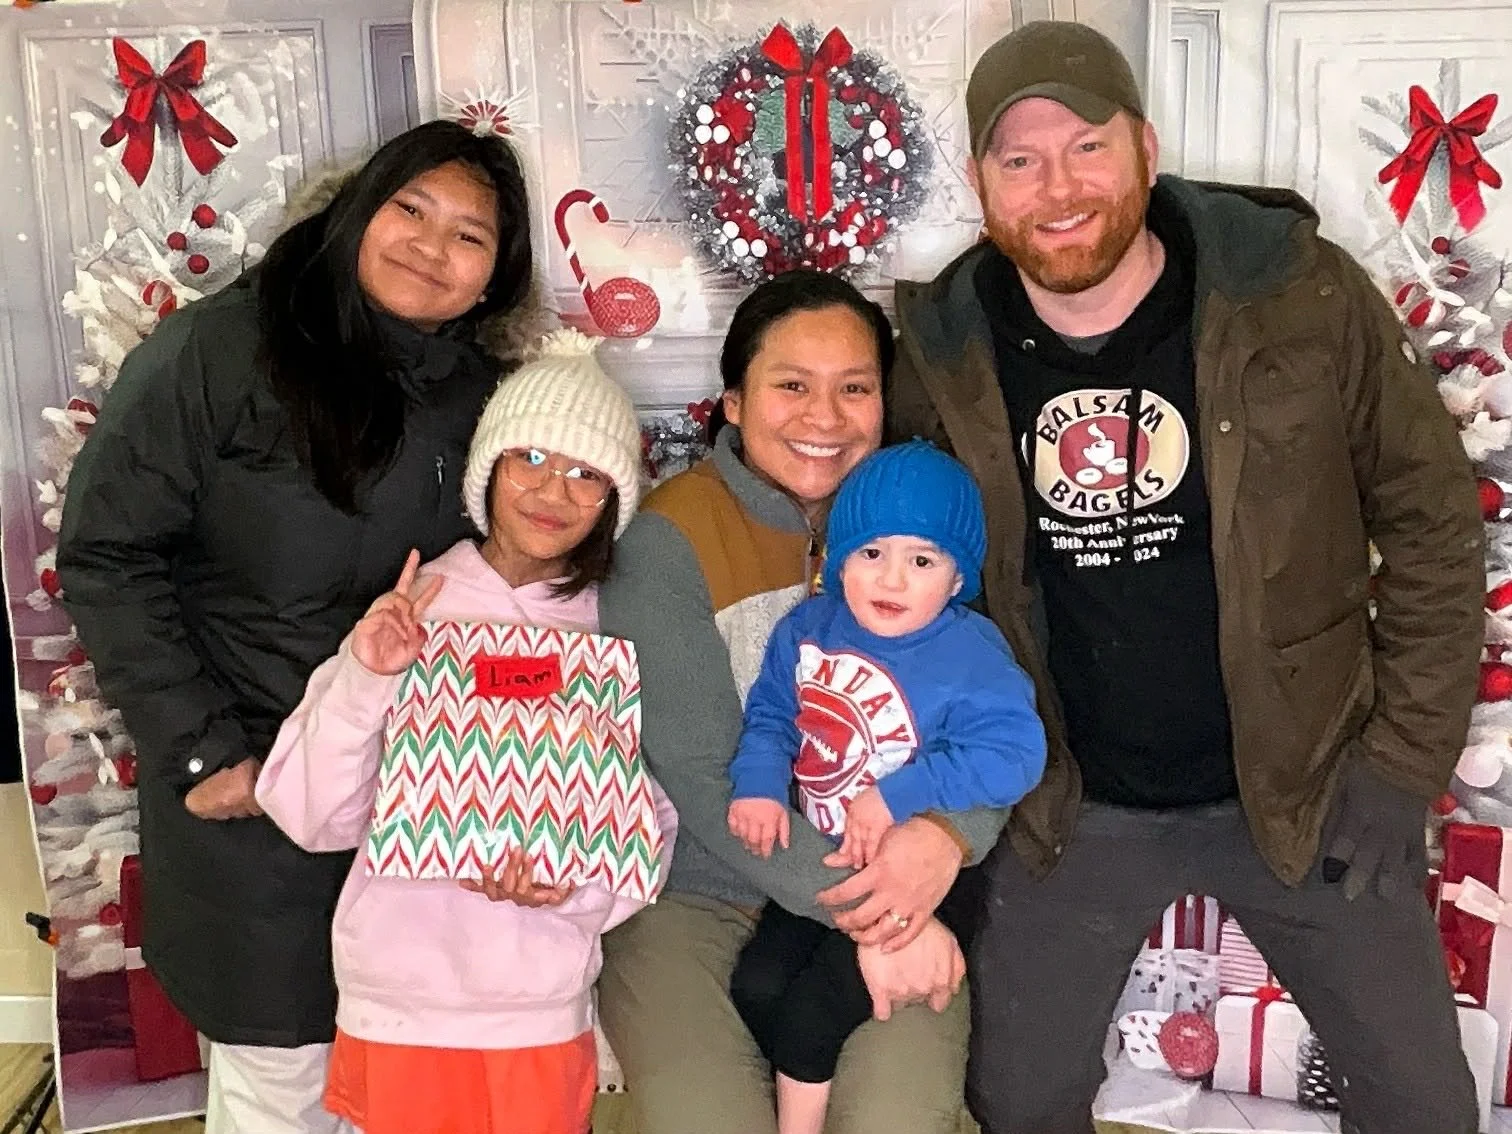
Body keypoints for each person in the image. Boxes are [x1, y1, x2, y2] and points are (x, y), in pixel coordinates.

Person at [887, 19, 1486, 1134]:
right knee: (1013, 1102)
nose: (1057, 188)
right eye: (1019, 161)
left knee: (1423, 1106)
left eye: (1087, 148)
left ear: (1146, 150)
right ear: (981, 186)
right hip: (1065, 804)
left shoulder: (1297, 293)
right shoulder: (943, 349)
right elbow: (894, 575)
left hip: (1303, 791)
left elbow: (1434, 525)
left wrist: (1402, 764)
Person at [55, 120, 536, 1133]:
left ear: (494, 278)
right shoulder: (219, 351)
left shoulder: (488, 403)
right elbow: (108, 553)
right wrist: (200, 752)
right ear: (356, 209)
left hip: (421, 824)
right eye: (410, 209)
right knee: (287, 1090)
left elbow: (529, 600)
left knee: (416, 1090)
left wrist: (515, 807)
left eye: (470, 235)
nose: (430, 245)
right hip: (258, 810)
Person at [596, 270, 1009, 1134]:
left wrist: (945, 839)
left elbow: (994, 724)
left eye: (854, 388)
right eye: (791, 386)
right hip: (701, 896)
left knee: (894, 1118)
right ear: (735, 401)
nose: (824, 418)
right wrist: (876, 913)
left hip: (898, 873)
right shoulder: (670, 541)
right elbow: (706, 776)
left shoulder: (931, 525)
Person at [256, 329, 676, 1134]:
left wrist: (575, 889)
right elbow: (309, 813)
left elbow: (652, 815)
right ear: (490, 468)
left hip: (538, 1010)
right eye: (532, 459)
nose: (554, 492)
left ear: (614, 501)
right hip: (401, 1004)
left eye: (587, 474)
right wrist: (368, 675)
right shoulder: (415, 606)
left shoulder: (619, 627)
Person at [726, 440, 1047, 1134]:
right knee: (756, 986)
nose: (892, 580)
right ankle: (809, 1075)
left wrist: (900, 794)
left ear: (957, 574)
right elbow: (775, 715)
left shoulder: (970, 654)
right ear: (839, 558)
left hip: (926, 884)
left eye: (922, 560)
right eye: (871, 553)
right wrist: (756, 783)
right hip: (824, 861)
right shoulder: (809, 629)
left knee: (813, 1015)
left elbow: (1019, 754)